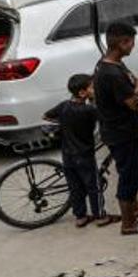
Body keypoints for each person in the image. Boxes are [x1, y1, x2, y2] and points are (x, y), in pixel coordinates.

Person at [94, 21, 138, 235]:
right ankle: (129, 223)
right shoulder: (112, 73)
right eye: (131, 42)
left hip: (116, 127)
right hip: (121, 132)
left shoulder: (110, 64)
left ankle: (137, 207)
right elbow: (132, 100)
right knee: (128, 177)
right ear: (122, 43)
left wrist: (135, 86)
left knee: (131, 172)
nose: (133, 47)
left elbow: (133, 81)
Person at [43, 74, 103, 228]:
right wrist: (95, 100)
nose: (94, 89)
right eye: (92, 87)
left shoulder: (64, 106)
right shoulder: (88, 110)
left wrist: (63, 122)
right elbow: (101, 117)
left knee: (75, 187)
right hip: (84, 155)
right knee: (94, 186)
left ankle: (81, 217)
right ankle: (100, 215)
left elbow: (46, 116)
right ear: (82, 93)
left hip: (67, 154)